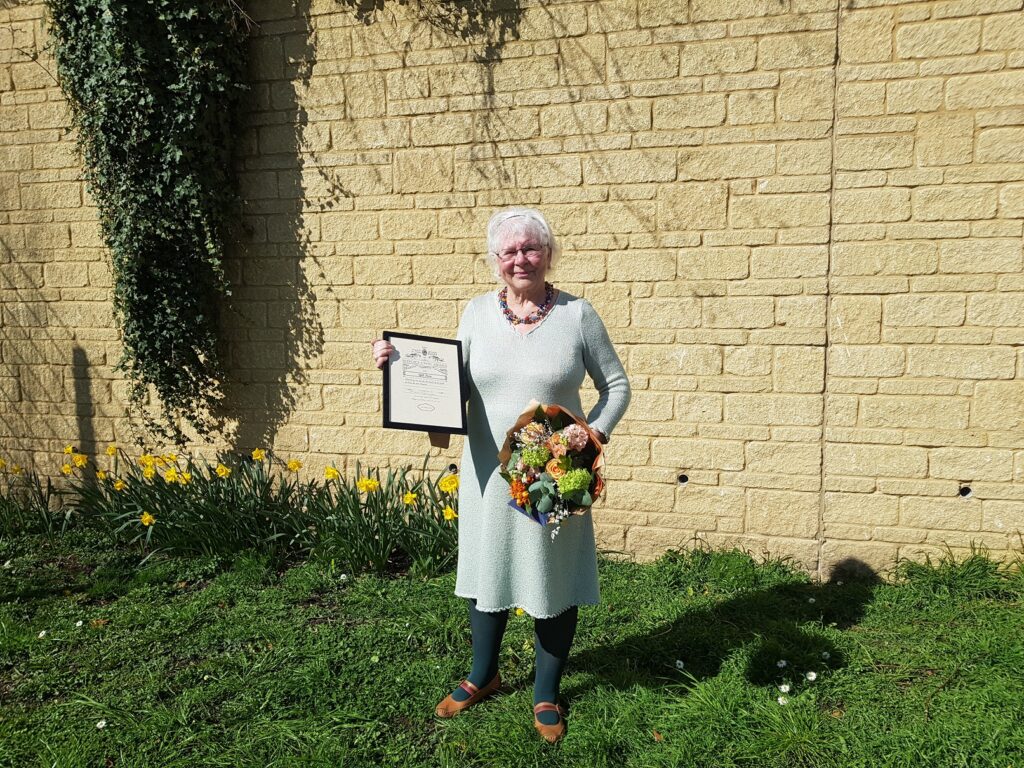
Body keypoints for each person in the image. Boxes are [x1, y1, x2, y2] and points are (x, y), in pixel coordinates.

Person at [371, 207, 631, 743]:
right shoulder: (474, 313)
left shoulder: (578, 316)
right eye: (509, 251)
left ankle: (545, 693)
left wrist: (592, 435)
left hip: (553, 478)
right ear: (495, 261)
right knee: (486, 573)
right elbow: (451, 389)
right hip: (488, 475)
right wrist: (400, 367)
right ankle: (482, 675)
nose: (520, 259)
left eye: (531, 249)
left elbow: (617, 387)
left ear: (548, 255)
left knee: (552, 579)